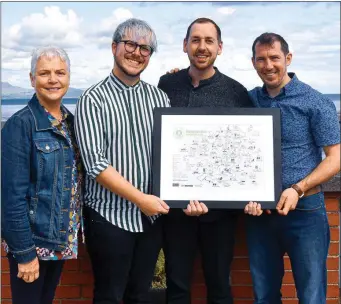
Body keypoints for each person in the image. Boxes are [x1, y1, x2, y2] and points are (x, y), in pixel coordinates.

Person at [74, 18, 205, 304]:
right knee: (109, 296)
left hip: (151, 220)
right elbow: (95, 163)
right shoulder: (92, 98)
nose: (137, 53)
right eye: (130, 44)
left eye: (145, 48)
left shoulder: (159, 98)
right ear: (114, 47)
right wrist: (140, 199)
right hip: (109, 216)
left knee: (139, 295)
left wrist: (193, 191)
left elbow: (174, 154)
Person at [158, 18, 253, 304]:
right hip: (175, 212)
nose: (202, 47)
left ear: (219, 47)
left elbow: (247, 149)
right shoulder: (166, 84)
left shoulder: (237, 92)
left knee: (220, 287)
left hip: (221, 215)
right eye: (195, 40)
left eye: (209, 41)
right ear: (185, 45)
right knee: (176, 288)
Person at [244, 33, 341, 304]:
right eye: (261, 59)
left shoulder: (315, 101)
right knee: (264, 296)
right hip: (260, 214)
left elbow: (335, 157)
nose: (268, 65)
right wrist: (182, 78)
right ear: (253, 63)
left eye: (274, 57)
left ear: (287, 58)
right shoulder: (249, 100)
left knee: (311, 296)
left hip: (306, 213)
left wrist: (298, 188)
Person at [1, 46, 83, 304]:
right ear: (32, 78)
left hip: (59, 240)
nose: (53, 80)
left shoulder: (70, 122)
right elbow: (10, 197)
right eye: (44, 73)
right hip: (33, 243)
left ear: (69, 77)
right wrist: (24, 253)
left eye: (60, 72)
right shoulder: (21, 124)